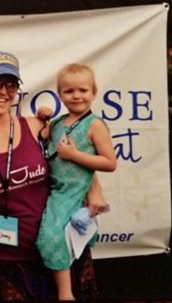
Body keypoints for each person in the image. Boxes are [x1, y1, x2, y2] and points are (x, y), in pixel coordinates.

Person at [0, 53, 104, 301]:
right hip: (15, 262)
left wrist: (94, 187)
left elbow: (72, 162)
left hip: (63, 249)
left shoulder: (37, 127)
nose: (4, 91)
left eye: (11, 84)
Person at [35, 63, 117, 301]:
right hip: (55, 189)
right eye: (69, 91)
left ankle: (65, 294)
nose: (77, 96)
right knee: (50, 236)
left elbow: (109, 162)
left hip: (74, 190)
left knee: (51, 237)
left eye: (83, 90)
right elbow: (44, 141)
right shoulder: (59, 122)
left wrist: (75, 156)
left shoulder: (95, 125)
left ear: (94, 92)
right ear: (60, 94)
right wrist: (43, 119)